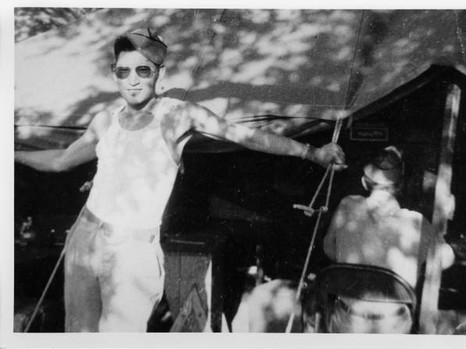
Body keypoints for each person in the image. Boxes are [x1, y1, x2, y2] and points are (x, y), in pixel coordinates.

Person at [15, 28, 347, 332]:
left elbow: (246, 136)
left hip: (133, 249)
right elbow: (60, 160)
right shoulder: (105, 120)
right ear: (113, 75)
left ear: (159, 74)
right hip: (85, 237)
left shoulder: (178, 114)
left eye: (143, 70)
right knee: (78, 331)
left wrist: (312, 152)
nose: (132, 80)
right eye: (123, 71)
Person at [321, 146, 454, 333]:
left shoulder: (347, 206)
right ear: (400, 186)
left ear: (364, 182)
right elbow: (446, 260)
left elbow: (329, 249)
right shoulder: (417, 222)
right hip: (393, 325)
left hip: (348, 321)